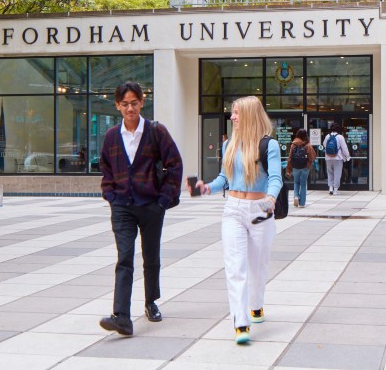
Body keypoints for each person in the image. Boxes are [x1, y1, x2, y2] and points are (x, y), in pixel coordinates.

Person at [194, 95, 282, 345]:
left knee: (258, 265)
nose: (231, 117)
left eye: (236, 113)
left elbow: (275, 178)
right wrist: (206, 188)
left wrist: (271, 198)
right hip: (233, 208)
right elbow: (224, 178)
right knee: (235, 266)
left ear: (249, 115)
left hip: (261, 209)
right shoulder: (229, 145)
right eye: (231, 113)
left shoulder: (269, 145)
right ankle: (240, 322)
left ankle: (256, 305)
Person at [98, 81, 183, 338]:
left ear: (142, 102)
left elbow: (175, 165)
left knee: (151, 256)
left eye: (134, 103)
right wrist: (110, 194)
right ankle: (121, 316)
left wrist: (163, 201)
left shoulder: (156, 131)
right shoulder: (112, 135)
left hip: (151, 205)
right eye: (124, 104)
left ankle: (150, 301)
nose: (130, 108)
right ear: (117, 106)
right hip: (122, 205)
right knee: (124, 257)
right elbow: (105, 168)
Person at [286, 129, 315, 208]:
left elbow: (290, 158)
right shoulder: (307, 145)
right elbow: (312, 157)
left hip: (295, 167)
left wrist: (288, 169)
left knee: (296, 182)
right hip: (305, 167)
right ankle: (302, 203)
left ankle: (296, 196)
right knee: (303, 184)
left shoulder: (293, 144)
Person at [323, 123, 350, 195]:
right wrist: (347, 156)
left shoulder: (327, 136)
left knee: (330, 173)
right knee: (337, 173)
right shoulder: (340, 137)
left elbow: (324, 145)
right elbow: (344, 148)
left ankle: (330, 188)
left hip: (328, 157)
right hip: (337, 158)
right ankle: (335, 189)